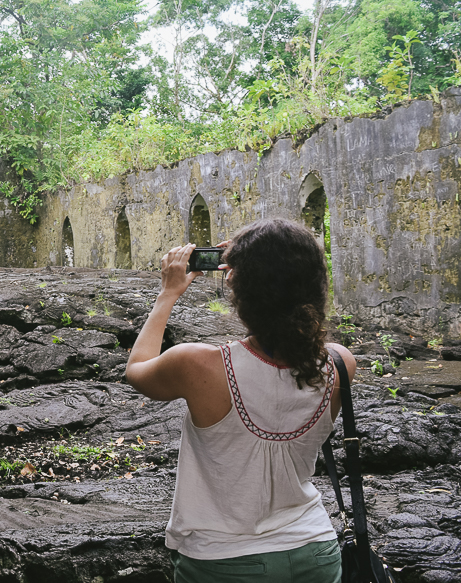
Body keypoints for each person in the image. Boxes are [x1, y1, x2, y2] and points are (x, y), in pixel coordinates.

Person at [125, 218, 356, 582]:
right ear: (316, 285)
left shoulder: (197, 364)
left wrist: (168, 292)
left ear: (237, 288)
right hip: (315, 551)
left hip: (223, 561)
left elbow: (136, 370)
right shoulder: (341, 363)